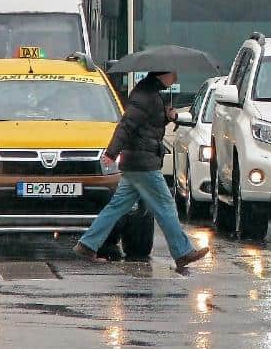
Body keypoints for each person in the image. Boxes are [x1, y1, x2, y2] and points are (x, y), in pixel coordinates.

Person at [74, 71, 210, 270]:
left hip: (138, 161)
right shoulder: (144, 96)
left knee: (116, 207)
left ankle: (87, 245)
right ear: (162, 74)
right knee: (165, 205)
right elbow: (126, 126)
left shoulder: (151, 94)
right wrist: (111, 152)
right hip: (142, 162)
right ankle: (182, 252)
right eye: (173, 74)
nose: (176, 79)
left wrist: (168, 117)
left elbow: (147, 125)